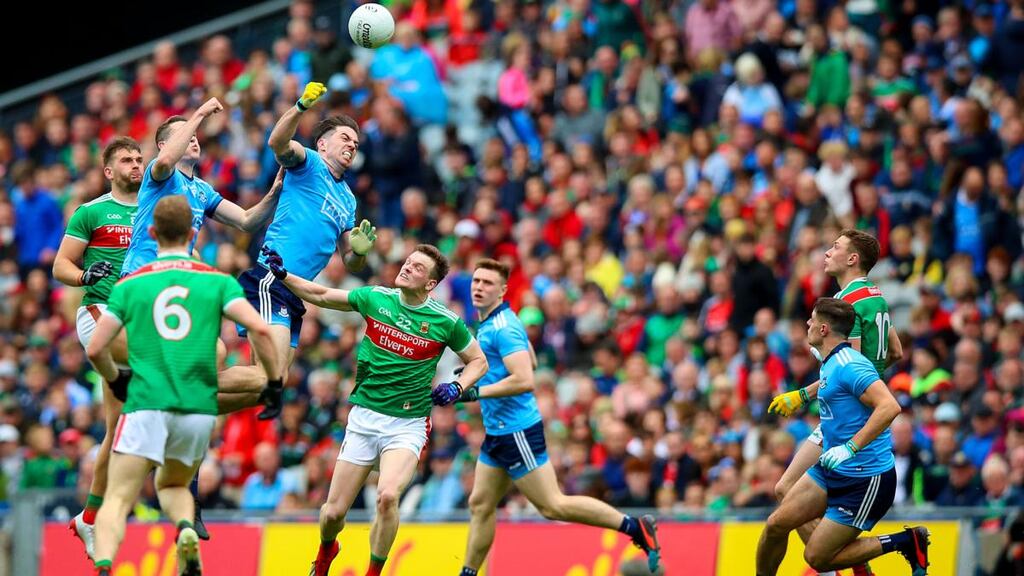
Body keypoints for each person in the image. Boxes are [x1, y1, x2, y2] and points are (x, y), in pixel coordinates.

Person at [261, 243, 488, 576]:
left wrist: (457, 386)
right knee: (332, 515)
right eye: (408, 262)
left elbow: (478, 361)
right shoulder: (376, 298)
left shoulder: (445, 321)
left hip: (407, 423)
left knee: (387, 496)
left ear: (430, 284)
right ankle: (327, 551)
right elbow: (321, 294)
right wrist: (283, 276)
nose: (407, 267)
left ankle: (373, 573)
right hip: (364, 418)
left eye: (418, 268)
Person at [84, 196, 281, 576]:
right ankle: (185, 528)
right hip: (195, 410)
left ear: (152, 233)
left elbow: (96, 347)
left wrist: (114, 377)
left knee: (119, 496)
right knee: (173, 485)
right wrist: (272, 381)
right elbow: (258, 328)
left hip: (147, 403)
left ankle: (106, 563)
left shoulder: (130, 285)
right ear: (193, 233)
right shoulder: (216, 282)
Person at [454, 258, 661, 576]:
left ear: (503, 291)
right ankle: (468, 572)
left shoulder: (502, 327)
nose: (479, 287)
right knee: (480, 503)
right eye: (476, 281)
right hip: (498, 431)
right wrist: (485, 376)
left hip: (516, 431)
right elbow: (531, 360)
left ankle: (635, 527)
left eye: (487, 283)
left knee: (553, 505)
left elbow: (525, 378)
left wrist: (476, 390)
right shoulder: (497, 320)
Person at [755, 298, 928, 576]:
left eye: (812, 320)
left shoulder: (850, 365)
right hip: (831, 469)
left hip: (865, 479)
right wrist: (801, 395)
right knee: (776, 523)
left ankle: (906, 541)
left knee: (817, 558)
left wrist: (850, 447)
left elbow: (890, 406)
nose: (807, 324)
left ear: (824, 329)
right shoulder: (830, 361)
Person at [767, 229, 903, 576]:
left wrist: (804, 394)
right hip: (851, 405)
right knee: (785, 490)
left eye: (836, 247)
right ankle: (850, 566)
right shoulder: (876, 297)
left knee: (785, 490)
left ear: (853, 259)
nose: (828, 252)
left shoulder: (850, 303)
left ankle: (844, 564)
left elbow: (849, 362)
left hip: (849, 415)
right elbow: (896, 351)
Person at [235, 81, 376, 405]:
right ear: (323, 144)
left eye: (355, 142)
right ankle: (188, 385)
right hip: (273, 276)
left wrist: (360, 253)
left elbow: (350, 260)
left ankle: (195, 399)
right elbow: (277, 141)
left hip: (296, 291)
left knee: (271, 381)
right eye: (345, 138)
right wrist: (300, 107)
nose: (352, 145)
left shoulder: (349, 200)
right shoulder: (308, 162)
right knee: (270, 377)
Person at [52, 137, 143, 559]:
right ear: (109, 171)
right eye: (126, 159)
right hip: (101, 312)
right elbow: (60, 266)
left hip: (139, 319)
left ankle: (87, 518)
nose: (136, 164)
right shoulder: (91, 211)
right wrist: (86, 276)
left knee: (117, 430)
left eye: (140, 158)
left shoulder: (153, 207)